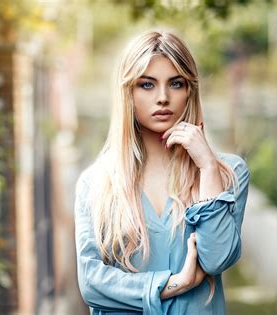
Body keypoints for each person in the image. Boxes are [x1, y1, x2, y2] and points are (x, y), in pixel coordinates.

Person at [74, 30, 250, 315]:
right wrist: (174, 284)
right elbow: (92, 284)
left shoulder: (228, 173)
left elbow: (216, 258)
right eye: (147, 85)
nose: (163, 98)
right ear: (128, 92)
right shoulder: (96, 183)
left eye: (176, 83)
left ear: (189, 90)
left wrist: (206, 166)